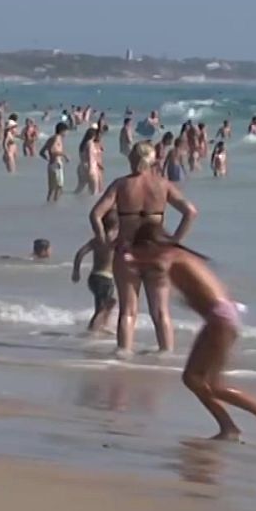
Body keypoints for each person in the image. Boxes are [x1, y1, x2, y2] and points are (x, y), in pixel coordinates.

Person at [125, 223, 256, 446]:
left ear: (150, 245)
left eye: (139, 249)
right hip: (222, 317)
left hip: (221, 319)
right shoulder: (183, 257)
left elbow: (160, 265)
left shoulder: (171, 256)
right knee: (194, 379)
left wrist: (133, 261)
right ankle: (229, 428)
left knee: (211, 383)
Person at [89, 142, 198, 356]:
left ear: (131, 158)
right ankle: (166, 355)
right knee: (160, 311)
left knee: (128, 311)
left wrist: (104, 240)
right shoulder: (162, 184)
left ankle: (123, 354)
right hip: (157, 252)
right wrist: (174, 240)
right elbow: (191, 212)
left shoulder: (121, 185)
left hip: (127, 251)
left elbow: (95, 214)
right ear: (153, 159)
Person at [71, 220, 117, 336]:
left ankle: (102, 326)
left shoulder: (97, 240)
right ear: (117, 225)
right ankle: (93, 331)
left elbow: (80, 253)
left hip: (94, 277)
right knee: (101, 308)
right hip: (105, 278)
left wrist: (76, 271)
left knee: (109, 303)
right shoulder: (114, 241)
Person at [44, 123, 68, 201]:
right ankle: (55, 204)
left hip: (50, 165)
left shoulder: (51, 138)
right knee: (59, 187)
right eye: (66, 131)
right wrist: (64, 155)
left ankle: (49, 205)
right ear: (62, 131)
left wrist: (49, 159)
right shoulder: (58, 138)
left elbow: (41, 152)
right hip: (57, 164)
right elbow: (53, 150)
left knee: (51, 189)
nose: (67, 133)